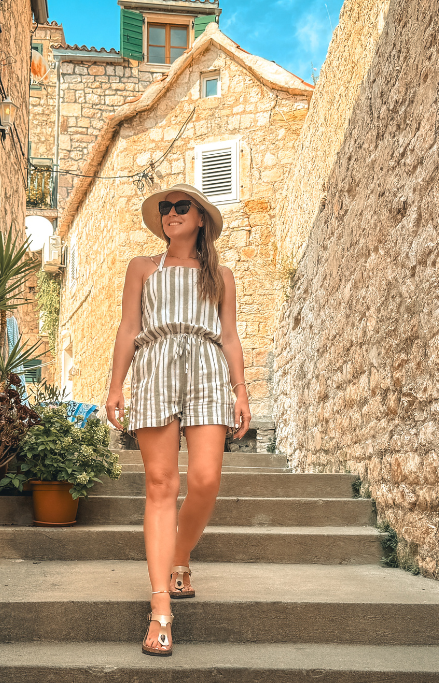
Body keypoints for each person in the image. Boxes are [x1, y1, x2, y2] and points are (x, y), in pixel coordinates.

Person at [105, 183, 252, 656]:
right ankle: (160, 606)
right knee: (160, 484)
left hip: (207, 368)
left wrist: (241, 391)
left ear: (201, 217)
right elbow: (129, 328)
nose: (171, 212)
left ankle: (180, 554)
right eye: (165, 208)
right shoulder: (143, 267)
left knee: (206, 480)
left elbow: (229, 336)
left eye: (181, 206)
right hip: (155, 366)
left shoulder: (220, 275)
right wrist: (115, 386)